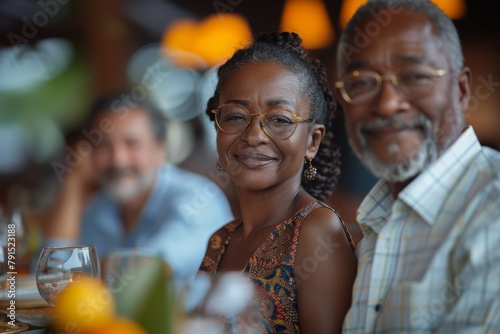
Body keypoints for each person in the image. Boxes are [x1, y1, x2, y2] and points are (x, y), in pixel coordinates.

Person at [334, 0, 500, 332]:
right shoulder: (380, 221)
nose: (387, 103)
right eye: (363, 82)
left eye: (414, 76)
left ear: (462, 90)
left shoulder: (491, 207)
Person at [197, 31, 359, 333]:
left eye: (280, 120)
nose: (254, 135)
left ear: (312, 141)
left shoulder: (317, 230)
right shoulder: (221, 240)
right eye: (234, 116)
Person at [39, 93, 235, 281]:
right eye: (104, 146)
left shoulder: (198, 199)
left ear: (160, 150)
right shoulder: (99, 208)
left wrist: (84, 276)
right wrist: (73, 183)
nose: (118, 160)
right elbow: (50, 276)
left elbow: (145, 268)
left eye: (132, 144)